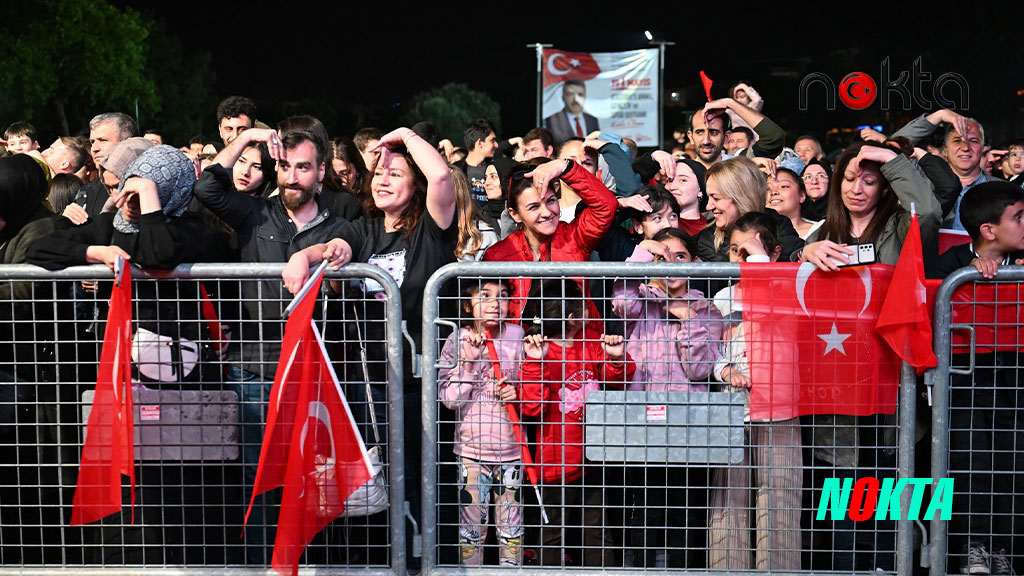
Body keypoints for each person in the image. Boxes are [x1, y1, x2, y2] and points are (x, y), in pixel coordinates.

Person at [283, 126, 456, 570]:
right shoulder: (364, 228)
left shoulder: (432, 230)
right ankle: (383, 563)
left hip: (420, 385)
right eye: (379, 171)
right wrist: (307, 255)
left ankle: (425, 563)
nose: (382, 180)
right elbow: (337, 245)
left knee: (420, 481)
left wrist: (401, 135)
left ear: (414, 183)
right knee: (373, 485)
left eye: (395, 174)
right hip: (370, 385)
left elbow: (441, 178)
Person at [193, 126, 347, 563]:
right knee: (259, 480)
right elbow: (206, 186)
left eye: (302, 167)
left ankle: (312, 565)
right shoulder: (255, 213)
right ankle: (263, 564)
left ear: (321, 172)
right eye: (284, 166)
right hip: (255, 369)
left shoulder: (339, 227)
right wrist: (249, 137)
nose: (292, 176)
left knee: (315, 481)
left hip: (315, 377)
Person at [796, 141, 939, 571]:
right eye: (851, 178)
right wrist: (802, 253)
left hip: (893, 376)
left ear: (886, 187)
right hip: (838, 383)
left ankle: (888, 563)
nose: (858, 188)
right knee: (840, 485)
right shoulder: (823, 234)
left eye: (871, 180)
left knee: (890, 485)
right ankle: (843, 566)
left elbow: (929, 212)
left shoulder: (901, 224)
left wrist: (887, 157)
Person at [926, 181, 1024, 575]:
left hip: (1014, 383)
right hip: (963, 385)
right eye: (1018, 217)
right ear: (988, 230)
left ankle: (1004, 551)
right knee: (972, 467)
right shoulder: (949, 264)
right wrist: (968, 275)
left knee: (1012, 467)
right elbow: (928, 304)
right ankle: (974, 550)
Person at [709, 212, 802, 571]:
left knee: (778, 501)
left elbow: (772, 313)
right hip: (732, 410)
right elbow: (712, 349)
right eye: (735, 251)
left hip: (779, 410)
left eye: (749, 251)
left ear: (774, 253)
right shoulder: (721, 295)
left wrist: (760, 265)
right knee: (727, 505)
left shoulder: (786, 285)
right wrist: (724, 370)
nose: (741, 259)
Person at [519, 278, 634, 567]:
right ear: (572, 317)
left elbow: (618, 379)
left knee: (597, 533)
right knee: (552, 535)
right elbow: (532, 407)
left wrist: (617, 358)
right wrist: (535, 363)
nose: (590, 311)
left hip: (592, 458)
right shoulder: (540, 350)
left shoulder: (590, 344)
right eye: (585, 306)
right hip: (554, 462)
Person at [437, 278, 524, 567]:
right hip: (471, 453)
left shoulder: (517, 336)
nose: (494, 302)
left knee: (511, 530)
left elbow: (533, 390)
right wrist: (470, 365)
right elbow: (449, 399)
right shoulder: (457, 340)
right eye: (484, 295)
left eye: (503, 296)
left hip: (511, 451)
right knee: (472, 530)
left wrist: (517, 393)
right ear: (468, 305)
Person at [481, 156, 618, 321]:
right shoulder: (497, 255)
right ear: (515, 214)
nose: (546, 212)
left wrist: (564, 167)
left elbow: (606, 206)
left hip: (577, 342)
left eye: (551, 201)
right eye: (534, 207)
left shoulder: (575, 237)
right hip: (521, 344)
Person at [695, 156, 801, 264]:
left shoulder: (780, 226)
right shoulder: (707, 240)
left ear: (742, 197)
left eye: (716, 198)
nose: (708, 206)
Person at [62, 112, 137, 225]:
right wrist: (66, 217)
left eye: (103, 140)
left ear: (126, 142)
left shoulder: (152, 186)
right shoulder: (87, 190)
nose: (94, 149)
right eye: (92, 142)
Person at [767, 166, 821, 239]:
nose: (774, 192)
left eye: (783, 186)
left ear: (802, 196)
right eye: (767, 189)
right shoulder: (754, 234)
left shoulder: (822, 231)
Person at [544, 79, 600, 145]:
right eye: (570, 94)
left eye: (580, 94)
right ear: (563, 97)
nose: (576, 99)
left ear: (585, 97)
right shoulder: (551, 121)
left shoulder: (593, 120)